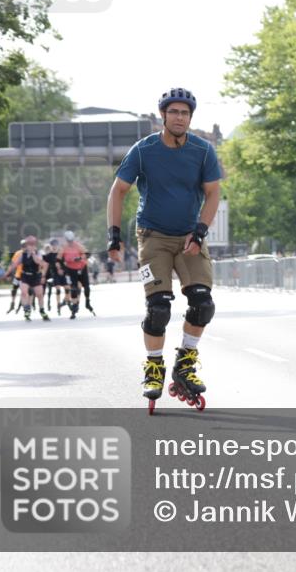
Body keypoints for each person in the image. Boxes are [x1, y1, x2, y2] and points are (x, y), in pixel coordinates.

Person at [107, 87, 222, 412]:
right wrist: (114, 236)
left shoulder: (202, 151)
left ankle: (185, 361)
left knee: (202, 305)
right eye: (173, 112)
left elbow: (212, 193)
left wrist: (199, 232)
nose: (179, 118)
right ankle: (154, 365)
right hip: (153, 237)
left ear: (190, 117)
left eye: (185, 113)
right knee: (159, 308)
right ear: (163, 115)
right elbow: (118, 191)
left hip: (189, 238)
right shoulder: (143, 151)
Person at [2, 235, 50, 321]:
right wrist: (7, 274)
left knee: (39, 294)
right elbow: (14, 265)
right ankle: (27, 310)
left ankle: (42, 310)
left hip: (35, 276)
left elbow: (43, 264)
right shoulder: (22, 255)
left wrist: (43, 276)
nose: (30, 246)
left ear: (35, 245)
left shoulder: (38, 253)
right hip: (25, 276)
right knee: (24, 292)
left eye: (32, 244)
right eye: (29, 244)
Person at [61, 230, 92, 319]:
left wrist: (80, 257)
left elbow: (87, 254)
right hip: (71, 270)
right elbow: (59, 259)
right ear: (66, 240)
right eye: (69, 241)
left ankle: (87, 302)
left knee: (86, 287)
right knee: (73, 289)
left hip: (82, 268)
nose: (70, 243)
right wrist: (62, 267)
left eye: (71, 241)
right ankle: (74, 307)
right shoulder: (64, 248)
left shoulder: (78, 245)